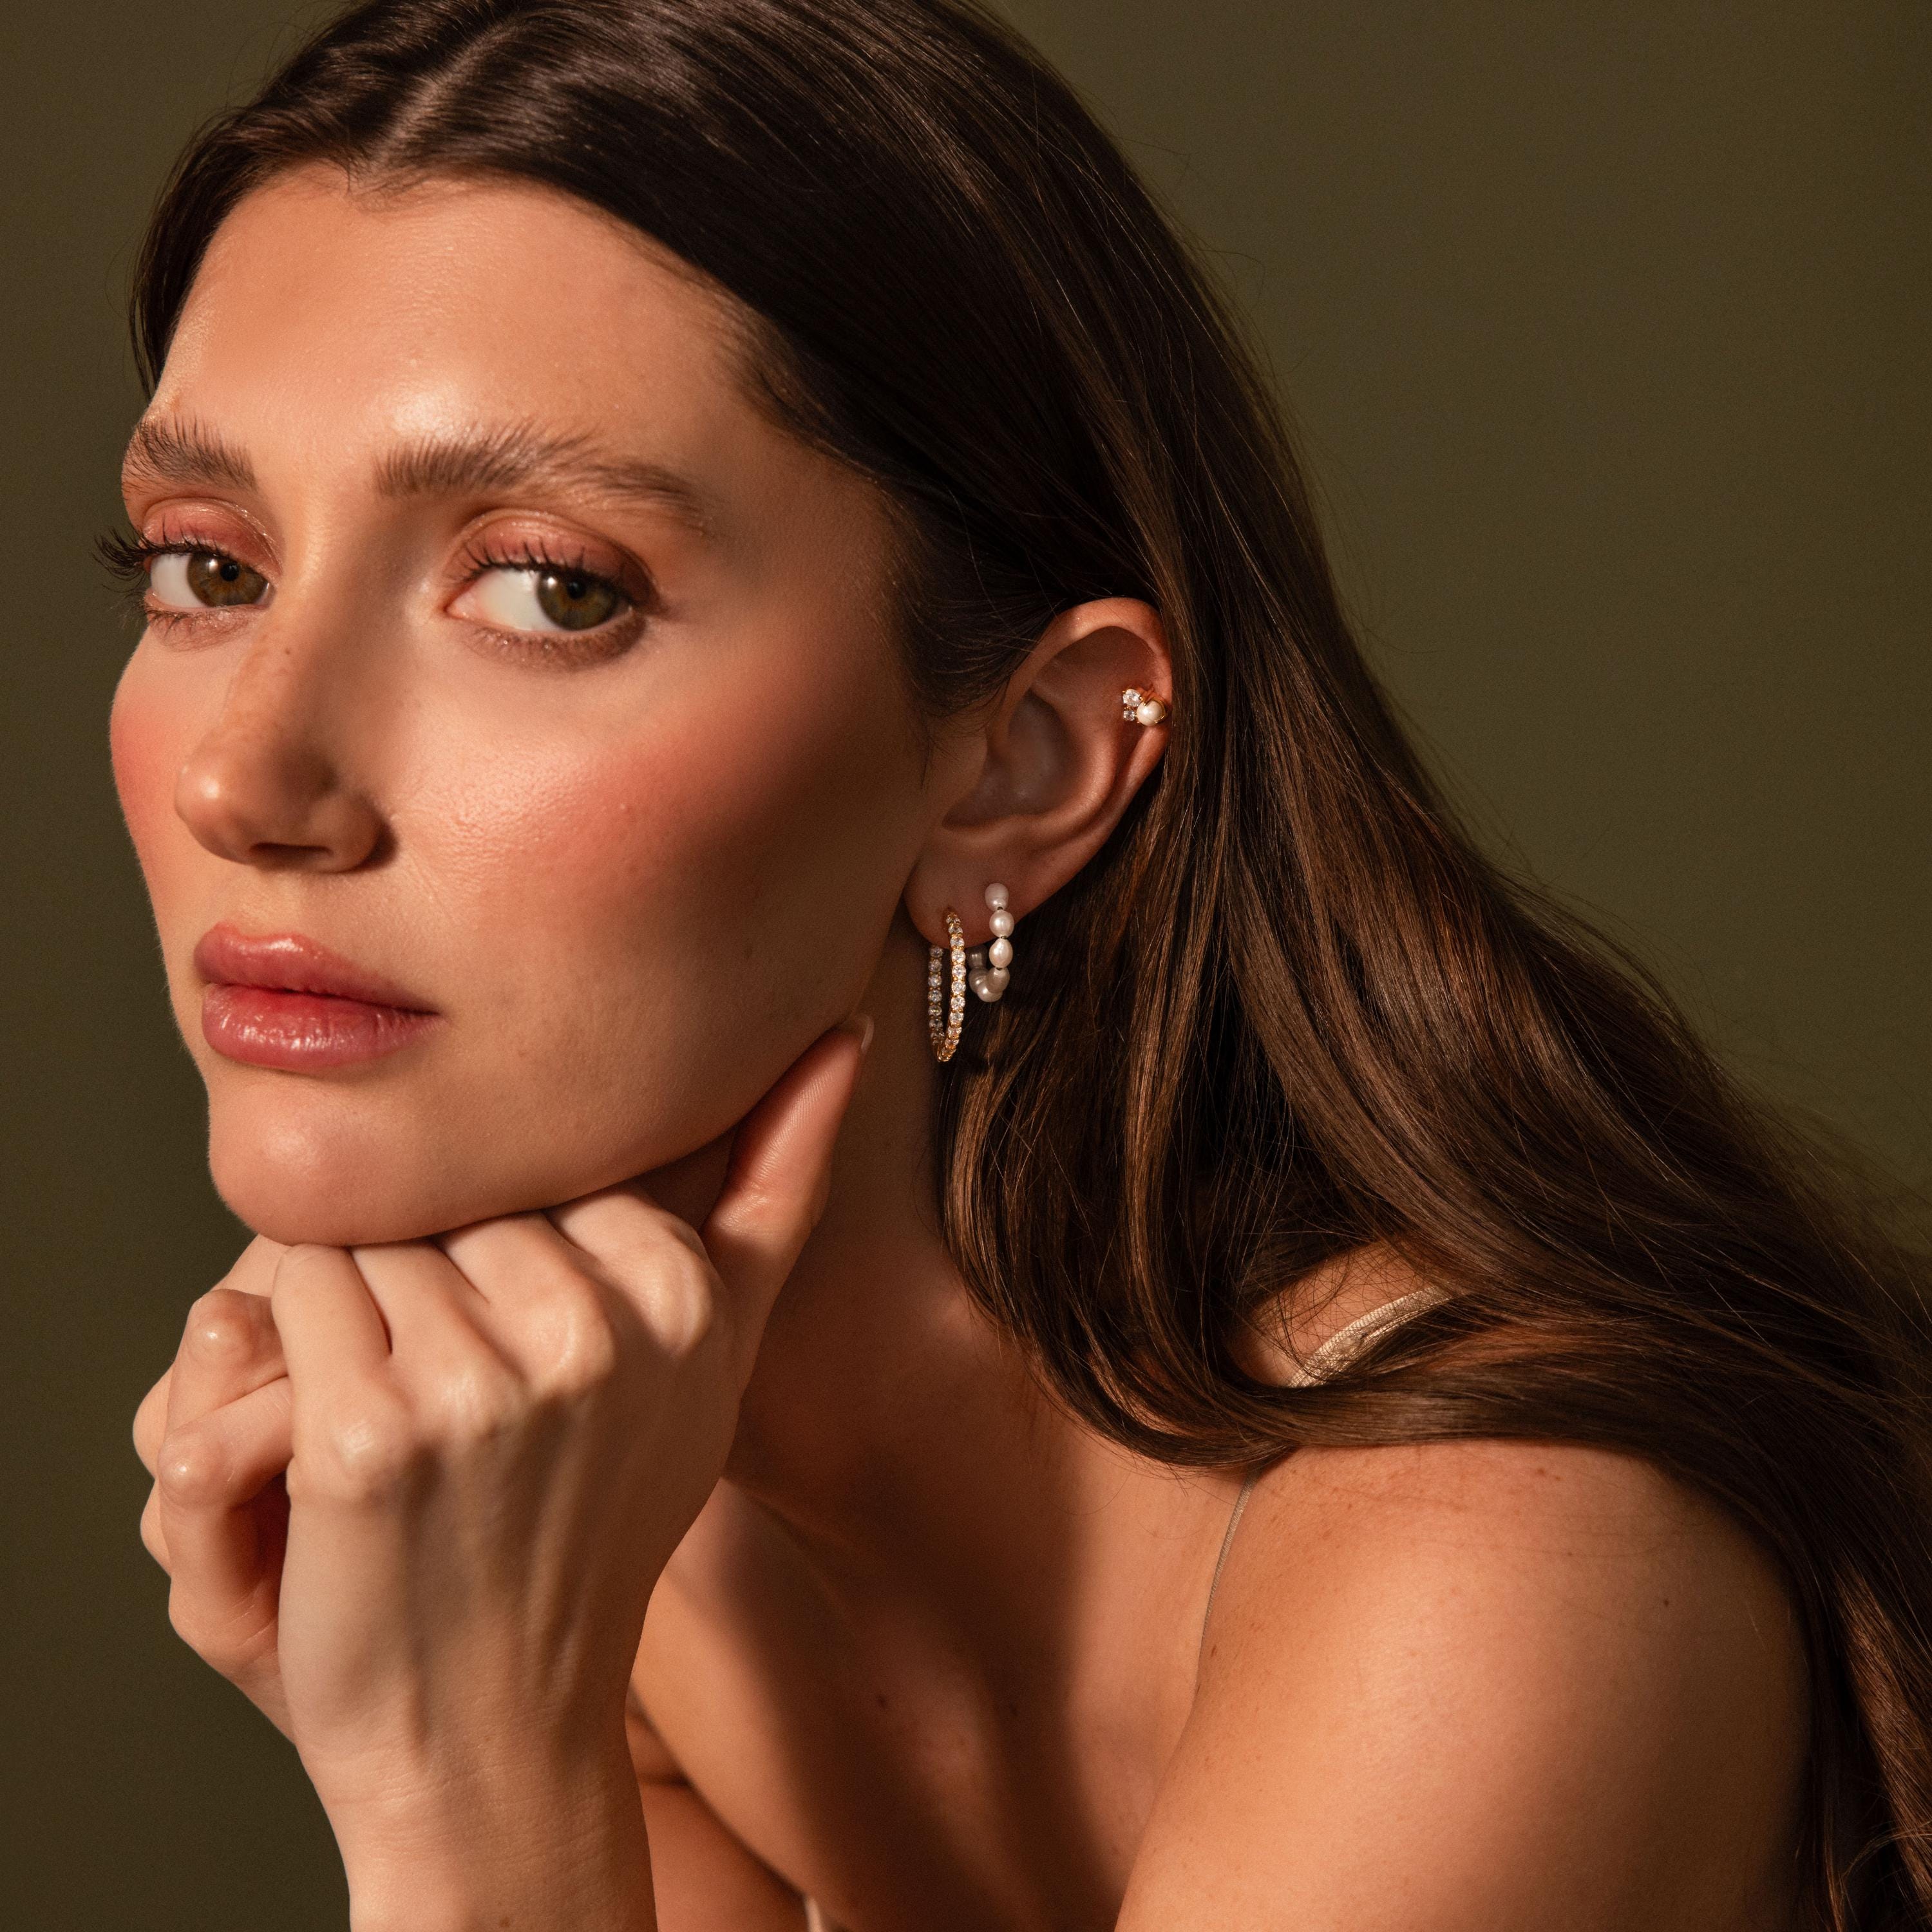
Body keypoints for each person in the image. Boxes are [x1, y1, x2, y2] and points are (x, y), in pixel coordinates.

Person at [108, 1, 1929, 1926]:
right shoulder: (605, 1519)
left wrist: (459, 1787)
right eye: (208, 567)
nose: (249, 774)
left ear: (1026, 761)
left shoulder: (1501, 1551)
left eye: (552, 587)